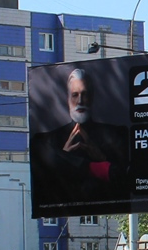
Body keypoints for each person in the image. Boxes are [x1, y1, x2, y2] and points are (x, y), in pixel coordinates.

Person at [30, 67, 130, 207]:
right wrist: (64, 155)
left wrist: (102, 157)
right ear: (67, 99)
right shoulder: (49, 141)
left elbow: (126, 183)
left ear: (92, 97)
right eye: (75, 95)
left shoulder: (116, 135)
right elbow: (45, 190)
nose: (80, 101)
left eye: (85, 94)